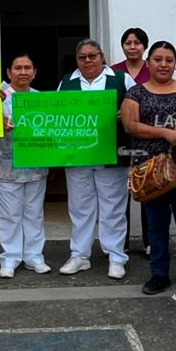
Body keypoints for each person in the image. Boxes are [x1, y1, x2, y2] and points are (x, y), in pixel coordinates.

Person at [121, 41, 176, 309]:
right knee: (157, 226)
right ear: (148, 62)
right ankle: (159, 275)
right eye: (158, 59)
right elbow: (131, 126)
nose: (163, 64)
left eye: (169, 60)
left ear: (175, 63)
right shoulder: (136, 92)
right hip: (151, 171)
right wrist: (164, 133)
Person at [57, 38, 135, 279]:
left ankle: (116, 256)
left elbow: (137, 104)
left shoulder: (121, 79)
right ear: (77, 60)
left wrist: (127, 113)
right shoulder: (66, 83)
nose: (88, 60)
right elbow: (56, 116)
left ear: (102, 56)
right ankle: (80, 255)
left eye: (93, 55)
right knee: (80, 207)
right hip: (78, 157)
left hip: (112, 154)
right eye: (82, 57)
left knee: (113, 207)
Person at [0, 53, 51, 278]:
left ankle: (34, 256)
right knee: (10, 214)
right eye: (17, 68)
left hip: (35, 166)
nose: (23, 72)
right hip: (7, 165)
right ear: (9, 73)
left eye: (27, 67)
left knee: (34, 213)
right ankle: (10, 258)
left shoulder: (41, 99)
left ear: (34, 72)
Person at [111, 27, 151, 258]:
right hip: (119, 138)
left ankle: (149, 242)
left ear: (144, 46)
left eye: (137, 43)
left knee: (147, 188)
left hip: (146, 139)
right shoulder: (113, 72)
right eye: (128, 42)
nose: (132, 46)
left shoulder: (153, 69)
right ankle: (120, 243)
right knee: (119, 193)